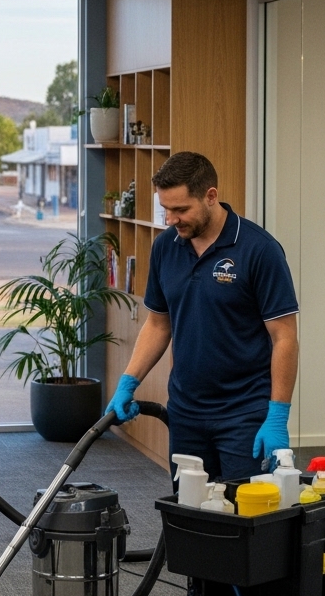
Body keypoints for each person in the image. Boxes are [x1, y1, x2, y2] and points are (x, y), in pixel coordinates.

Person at [106, 151, 300, 483]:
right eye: (166, 209)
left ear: (211, 196)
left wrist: (278, 415)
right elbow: (158, 323)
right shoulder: (166, 247)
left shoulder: (259, 249)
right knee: (188, 516)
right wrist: (128, 382)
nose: (171, 219)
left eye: (181, 209)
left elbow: (284, 337)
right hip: (185, 411)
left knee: (244, 517)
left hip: (244, 413)